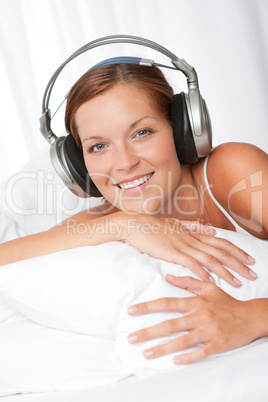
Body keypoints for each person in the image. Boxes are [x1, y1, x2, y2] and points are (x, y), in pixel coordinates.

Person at [1, 62, 267, 364]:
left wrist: (253, 315)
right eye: (99, 146)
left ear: (181, 129)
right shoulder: (106, 219)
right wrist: (125, 223)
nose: (124, 163)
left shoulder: (233, 170)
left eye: (142, 132)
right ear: (77, 165)